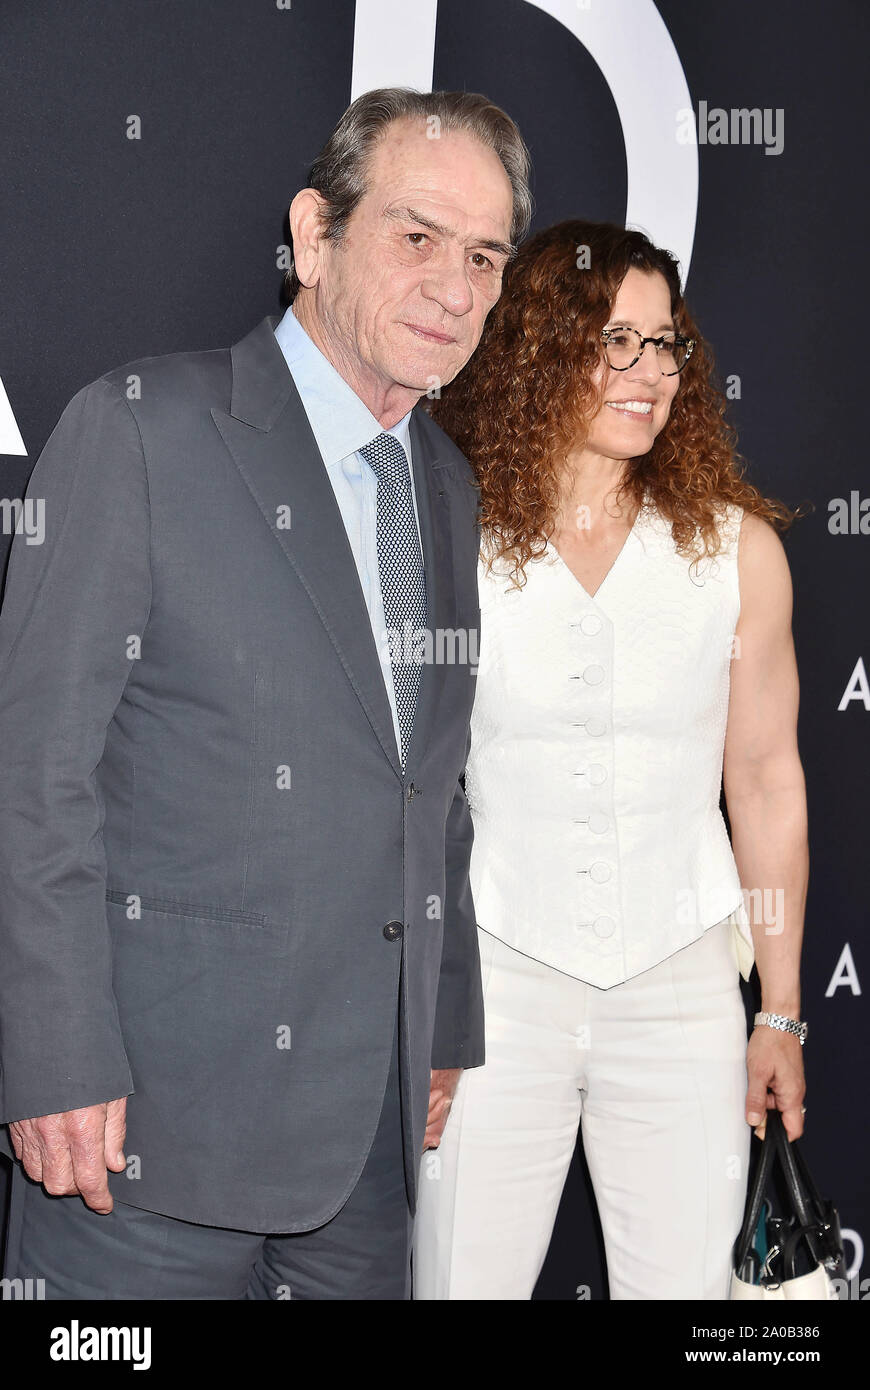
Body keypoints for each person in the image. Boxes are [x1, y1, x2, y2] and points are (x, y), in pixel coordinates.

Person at [0, 87, 531, 1300]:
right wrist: (51, 1058)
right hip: (140, 1145)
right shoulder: (140, 431)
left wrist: (442, 1028)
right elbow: (32, 774)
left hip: (371, 1151)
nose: (455, 286)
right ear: (313, 233)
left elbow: (429, 785)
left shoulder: (446, 483)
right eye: (416, 236)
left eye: (485, 256)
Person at [413, 219, 809, 1300]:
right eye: (614, 342)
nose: (651, 373)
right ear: (540, 350)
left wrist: (779, 1012)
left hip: (681, 985)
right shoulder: (452, 541)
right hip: (494, 989)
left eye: (665, 343)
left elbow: (766, 779)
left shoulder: (737, 554)